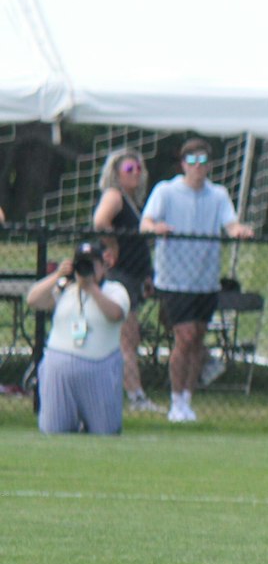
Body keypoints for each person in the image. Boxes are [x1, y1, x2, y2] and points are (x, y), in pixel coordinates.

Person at [140, 138, 254, 423]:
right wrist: (157, 228)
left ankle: (187, 400)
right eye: (192, 162)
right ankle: (175, 400)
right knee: (185, 336)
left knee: (198, 339)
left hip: (206, 280)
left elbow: (230, 224)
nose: (198, 168)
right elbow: (146, 222)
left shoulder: (218, 195)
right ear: (183, 164)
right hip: (174, 279)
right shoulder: (165, 191)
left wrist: (239, 231)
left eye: (203, 162)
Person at [26, 240, 129, 434]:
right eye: (82, 263)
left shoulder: (114, 290)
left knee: (105, 431)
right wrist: (57, 275)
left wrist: (91, 288)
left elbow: (116, 314)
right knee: (54, 429)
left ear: (103, 266)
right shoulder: (65, 288)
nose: (87, 268)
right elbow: (33, 300)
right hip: (59, 364)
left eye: (92, 264)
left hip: (99, 366)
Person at [91, 147, 159, 413]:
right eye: (129, 169)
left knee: (129, 338)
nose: (136, 174)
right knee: (127, 339)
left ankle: (127, 393)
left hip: (133, 277)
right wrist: (112, 245)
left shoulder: (134, 204)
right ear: (117, 173)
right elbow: (100, 221)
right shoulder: (114, 195)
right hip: (119, 277)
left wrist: (146, 275)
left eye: (139, 169)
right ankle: (136, 396)